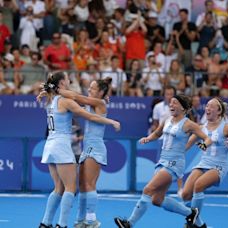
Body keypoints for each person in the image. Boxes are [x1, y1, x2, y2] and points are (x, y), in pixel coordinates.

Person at [114, 95, 212, 228]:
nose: (171, 105)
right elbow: (157, 133)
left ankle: (129, 223)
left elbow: (207, 138)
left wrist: (204, 145)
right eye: (171, 103)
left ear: (183, 108)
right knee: (157, 199)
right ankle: (191, 213)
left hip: (174, 163)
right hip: (162, 161)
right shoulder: (167, 119)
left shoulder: (189, 124)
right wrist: (147, 138)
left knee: (148, 189)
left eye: (175, 103)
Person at [37, 72, 120, 228]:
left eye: (92, 88)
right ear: (62, 83)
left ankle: (88, 220)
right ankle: (70, 222)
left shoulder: (54, 100)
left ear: (101, 92)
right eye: (67, 79)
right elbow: (79, 103)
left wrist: (51, 89)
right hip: (66, 145)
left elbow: (77, 98)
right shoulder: (72, 101)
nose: (88, 90)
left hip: (90, 147)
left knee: (82, 185)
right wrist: (51, 88)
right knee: (75, 186)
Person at [181, 98, 228, 228]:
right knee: (186, 194)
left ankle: (192, 223)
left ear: (219, 111)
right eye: (207, 106)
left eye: (211, 106)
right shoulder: (200, 127)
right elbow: (188, 144)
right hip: (202, 164)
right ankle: (200, 224)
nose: (207, 108)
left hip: (218, 167)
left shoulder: (227, 128)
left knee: (198, 185)